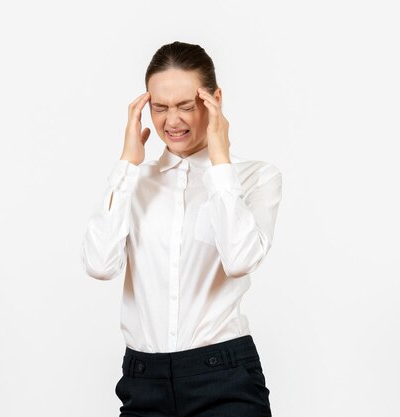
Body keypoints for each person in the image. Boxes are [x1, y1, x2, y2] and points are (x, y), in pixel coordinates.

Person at [81, 40, 282, 417]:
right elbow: (99, 265)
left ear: (214, 99)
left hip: (224, 376)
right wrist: (127, 164)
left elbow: (239, 259)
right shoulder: (134, 182)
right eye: (160, 108)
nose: (172, 122)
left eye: (186, 106)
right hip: (144, 380)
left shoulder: (254, 177)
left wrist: (220, 163)